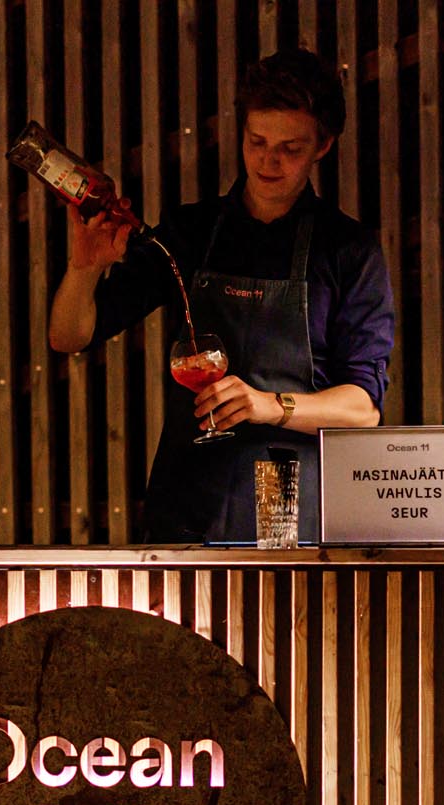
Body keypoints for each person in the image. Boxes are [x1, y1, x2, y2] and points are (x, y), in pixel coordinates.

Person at [48, 47, 394, 543]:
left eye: (290, 148)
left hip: (285, 490)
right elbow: (69, 336)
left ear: (322, 146)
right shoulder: (191, 231)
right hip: (188, 492)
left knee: (275, 594)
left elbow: (362, 408)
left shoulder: (347, 250)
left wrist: (268, 405)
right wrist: (84, 269)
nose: (268, 161)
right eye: (257, 142)